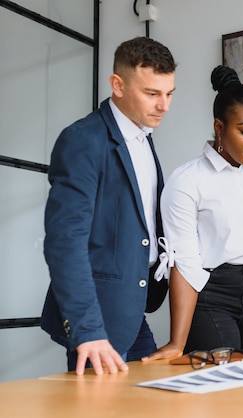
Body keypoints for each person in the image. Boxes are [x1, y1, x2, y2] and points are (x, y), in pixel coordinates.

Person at [142, 65, 243, 361]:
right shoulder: (187, 180)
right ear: (219, 128)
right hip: (213, 297)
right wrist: (177, 342)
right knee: (220, 390)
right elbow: (184, 262)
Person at [41, 37, 177, 375]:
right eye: (152, 94)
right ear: (117, 85)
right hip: (98, 322)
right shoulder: (83, 139)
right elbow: (65, 240)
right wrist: (88, 331)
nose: (164, 106)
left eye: (169, 93)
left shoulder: (144, 136)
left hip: (133, 312)